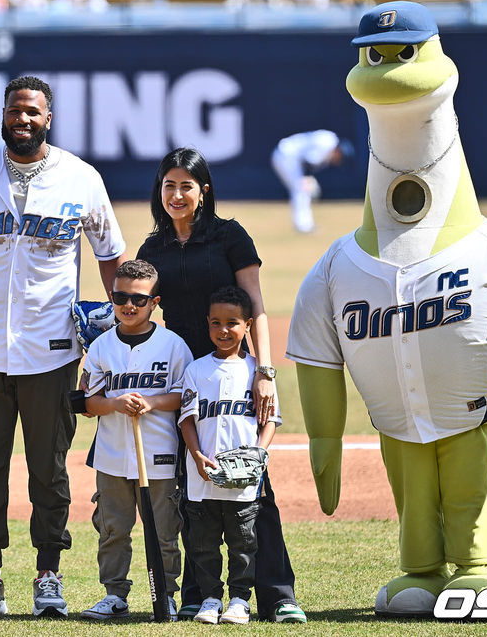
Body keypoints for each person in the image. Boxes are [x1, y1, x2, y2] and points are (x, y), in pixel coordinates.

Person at [0, 75, 127, 618]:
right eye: (15, 110)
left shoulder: (81, 177)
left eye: (33, 112)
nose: (23, 119)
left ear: (48, 118)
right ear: (3, 114)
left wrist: (114, 326)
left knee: (50, 467)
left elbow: (111, 254)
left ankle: (49, 574)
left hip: (52, 349)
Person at [136, 147, 305, 623]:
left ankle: (276, 593)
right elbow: (139, 308)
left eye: (186, 185)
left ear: (203, 190)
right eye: (168, 185)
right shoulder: (154, 249)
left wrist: (264, 372)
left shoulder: (229, 236)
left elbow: (256, 304)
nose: (176, 194)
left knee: (252, 479)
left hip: (233, 370)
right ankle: (199, 594)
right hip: (180, 375)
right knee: (191, 486)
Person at [78, 259, 193, 620]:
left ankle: (167, 594)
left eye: (139, 300)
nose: (129, 305)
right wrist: (113, 403)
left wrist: (152, 402)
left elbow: (186, 396)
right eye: (120, 297)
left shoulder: (173, 346)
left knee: (163, 530)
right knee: (113, 528)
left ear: (154, 302)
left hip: (158, 453)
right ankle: (115, 595)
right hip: (112, 455)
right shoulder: (100, 348)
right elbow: (87, 403)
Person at [179, 286, 289, 624]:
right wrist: (197, 456)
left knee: (244, 544)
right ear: (207, 325)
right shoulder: (196, 370)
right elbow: (187, 419)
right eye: (215, 323)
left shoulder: (258, 374)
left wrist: (259, 454)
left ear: (248, 325)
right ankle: (211, 599)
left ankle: (240, 601)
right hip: (203, 478)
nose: (223, 331)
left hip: (244, 481)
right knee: (203, 545)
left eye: (232, 323)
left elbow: (269, 421)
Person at [271, 130, 353, 233]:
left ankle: (304, 225)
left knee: (301, 190)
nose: (338, 161)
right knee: (301, 190)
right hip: (286, 156)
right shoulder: (327, 143)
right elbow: (308, 161)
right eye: (340, 157)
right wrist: (306, 179)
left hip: (288, 156)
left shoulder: (330, 141)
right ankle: (303, 226)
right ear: (339, 151)